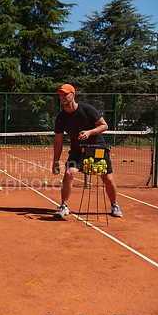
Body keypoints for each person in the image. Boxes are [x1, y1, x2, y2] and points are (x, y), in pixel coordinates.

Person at [52, 84, 122, 218]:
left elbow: (104, 125)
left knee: (107, 178)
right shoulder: (60, 118)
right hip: (78, 151)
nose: (62, 97)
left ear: (73, 95)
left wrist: (89, 132)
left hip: (98, 148)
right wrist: (55, 161)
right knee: (69, 173)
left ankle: (114, 205)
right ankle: (64, 206)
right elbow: (58, 141)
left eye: (65, 94)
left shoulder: (87, 109)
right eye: (61, 94)